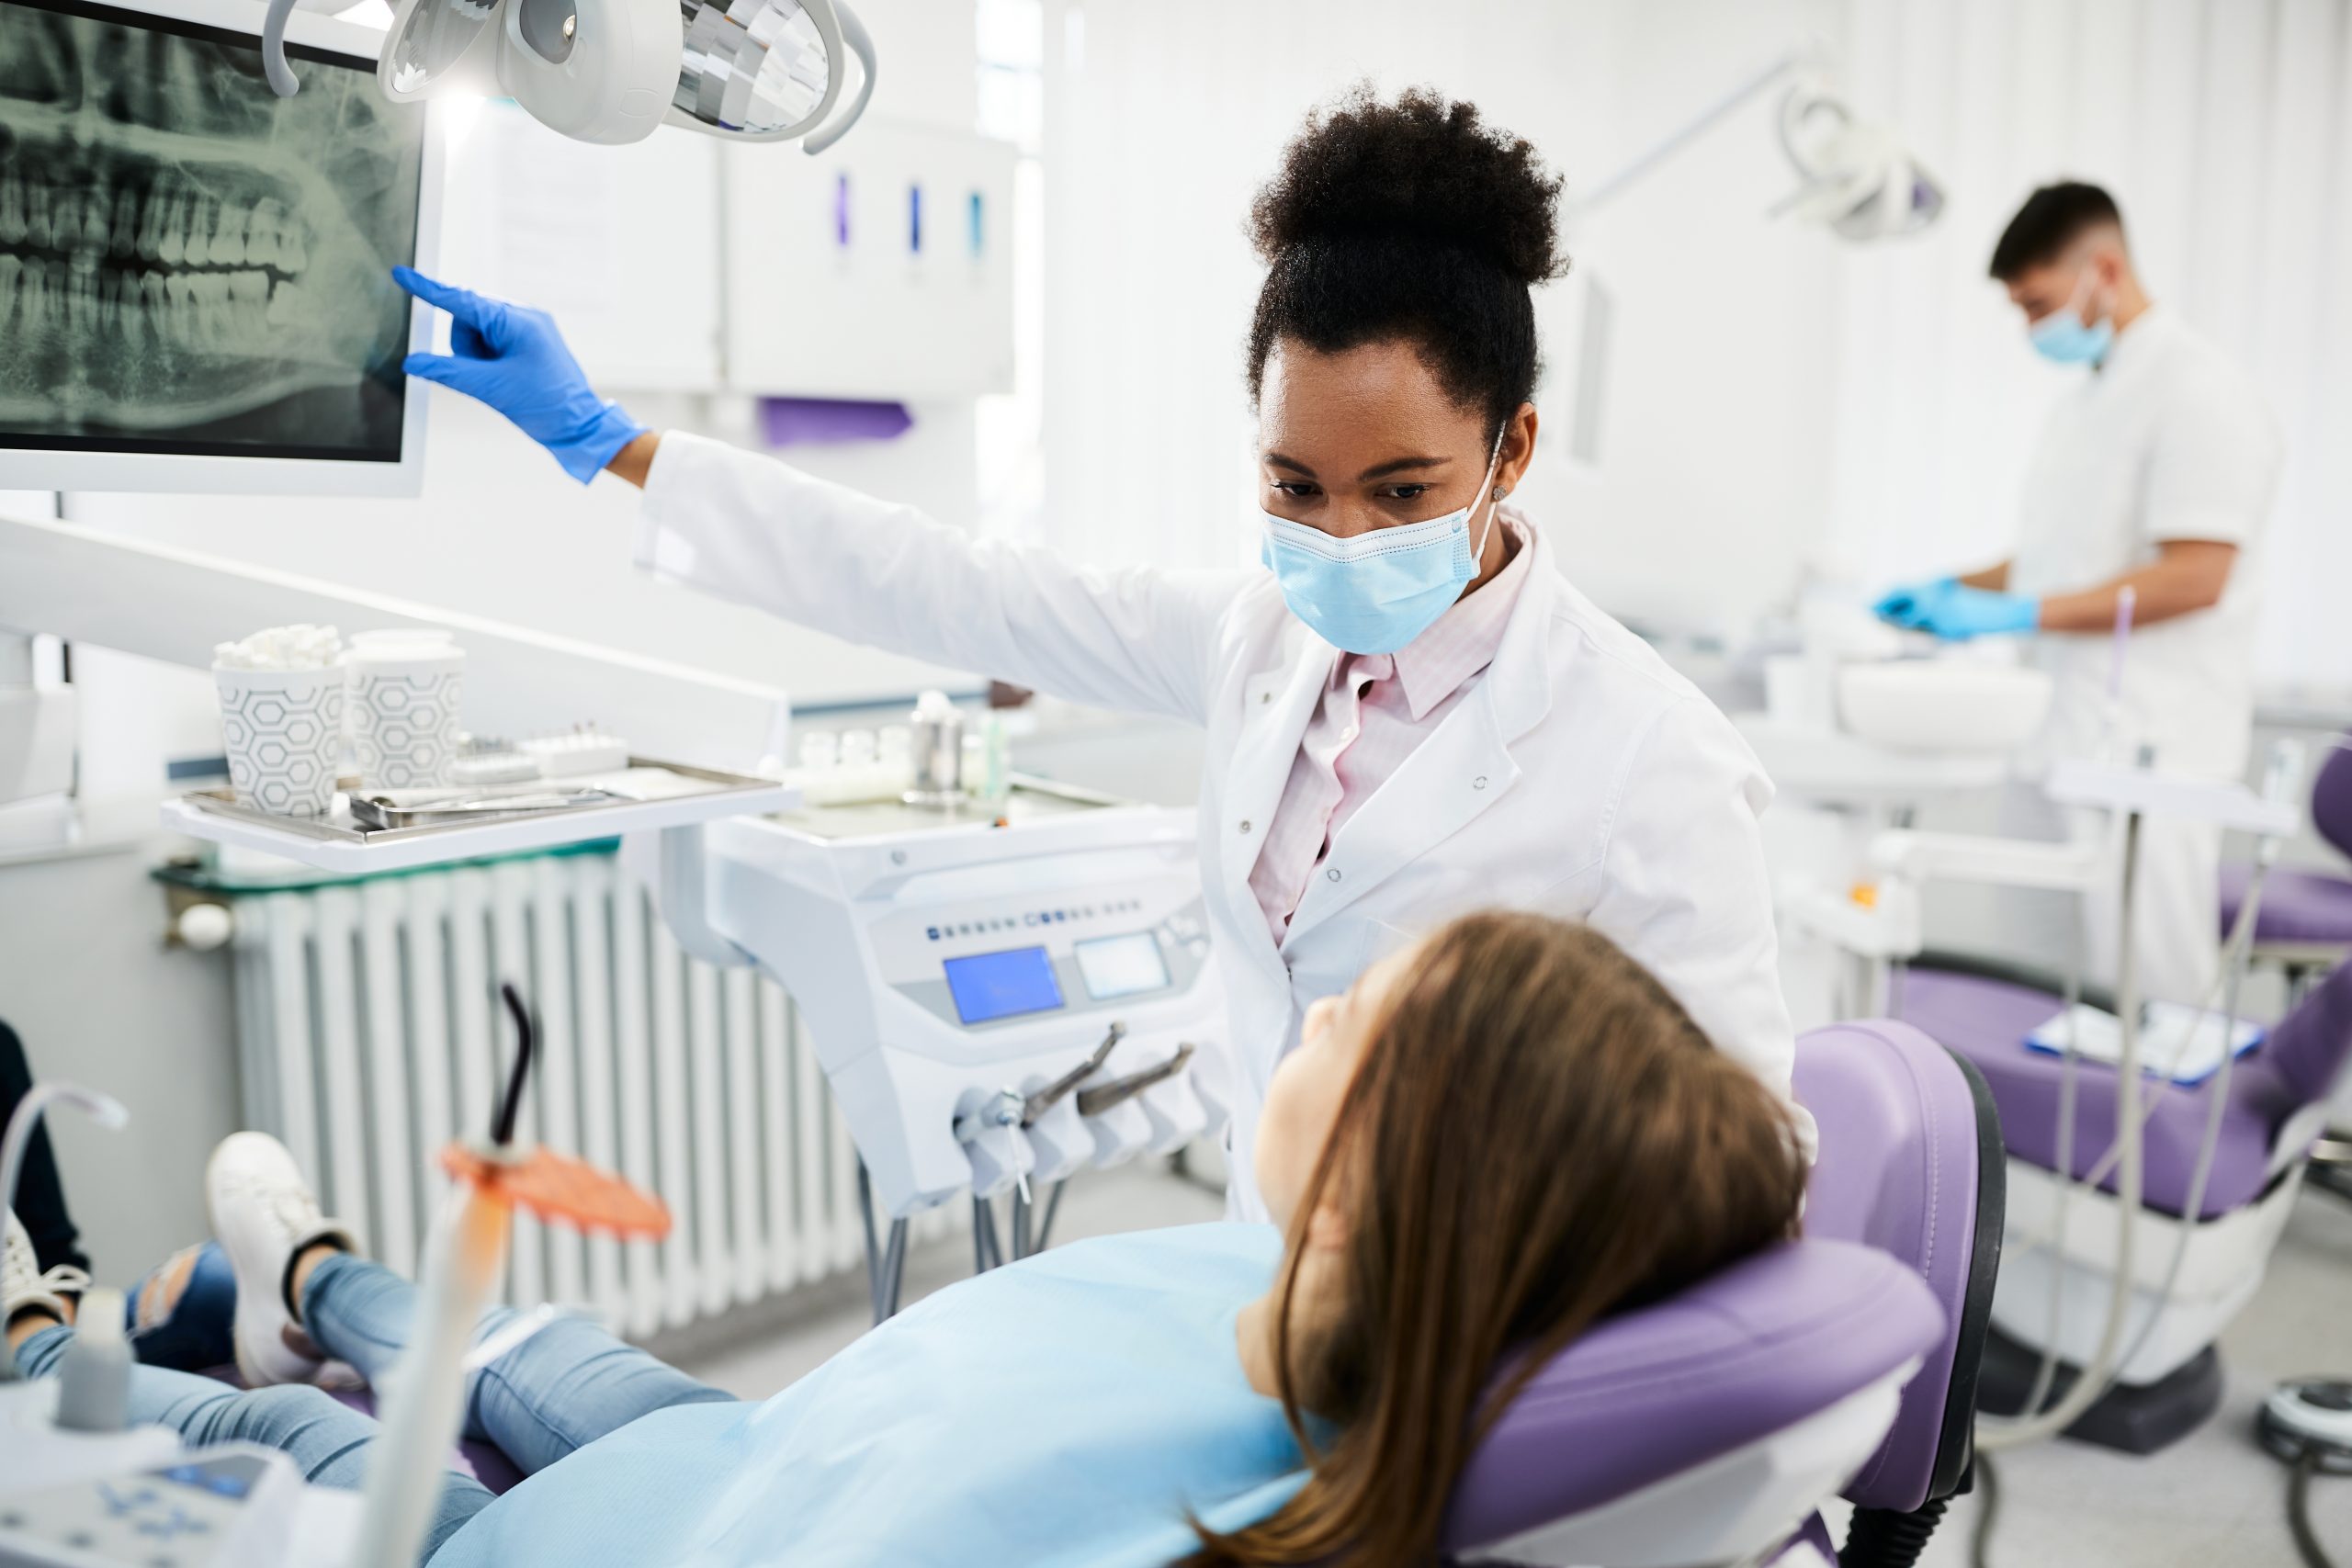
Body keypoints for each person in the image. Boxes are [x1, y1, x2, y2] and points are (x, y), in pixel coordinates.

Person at [390, 87, 1807, 1213]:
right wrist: (614, 445)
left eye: (1406, 489)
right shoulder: (1257, 637)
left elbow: (1749, 1157)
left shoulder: (1647, 758)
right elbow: (951, 585)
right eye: (1294, 485)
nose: (1345, 536)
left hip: (1489, 1341)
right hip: (1268, 1278)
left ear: (1514, 448)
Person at [5, 911, 1807, 1568]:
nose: (1315, 1010)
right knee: (511, 1334)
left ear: (1365, 1192)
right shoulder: (1312, 1311)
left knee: (308, 1437)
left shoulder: (1229, 1519)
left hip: (572, 1547)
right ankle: (309, 1271)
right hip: (737, 1448)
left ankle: (39, 1334)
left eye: (1357, 1024)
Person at [1875, 181, 2281, 1002]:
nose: (2031, 326)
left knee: (2144, 1011)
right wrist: (1952, 587)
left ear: (2104, 268)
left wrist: (2015, 612)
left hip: (2149, 750)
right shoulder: (2088, 402)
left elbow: (2197, 573)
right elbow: (2058, 561)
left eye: (2038, 302)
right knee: (2042, 995)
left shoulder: (2201, 391)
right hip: (2062, 734)